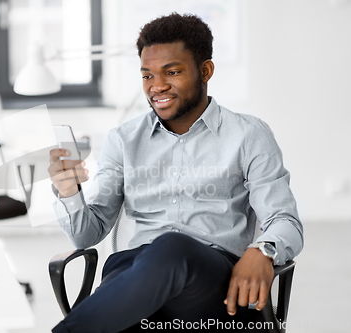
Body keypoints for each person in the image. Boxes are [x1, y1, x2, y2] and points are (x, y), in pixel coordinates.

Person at [48, 13, 303, 333]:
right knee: (152, 260)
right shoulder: (124, 139)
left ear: (206, 71)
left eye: (172, 72)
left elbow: (285, 220)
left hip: (209, 279)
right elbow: (88, 234)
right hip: (134, 273)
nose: (157, 86)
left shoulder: (248, 135)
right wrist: (70, 193)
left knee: (172, 248)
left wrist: (263, 250)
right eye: (147, 76)